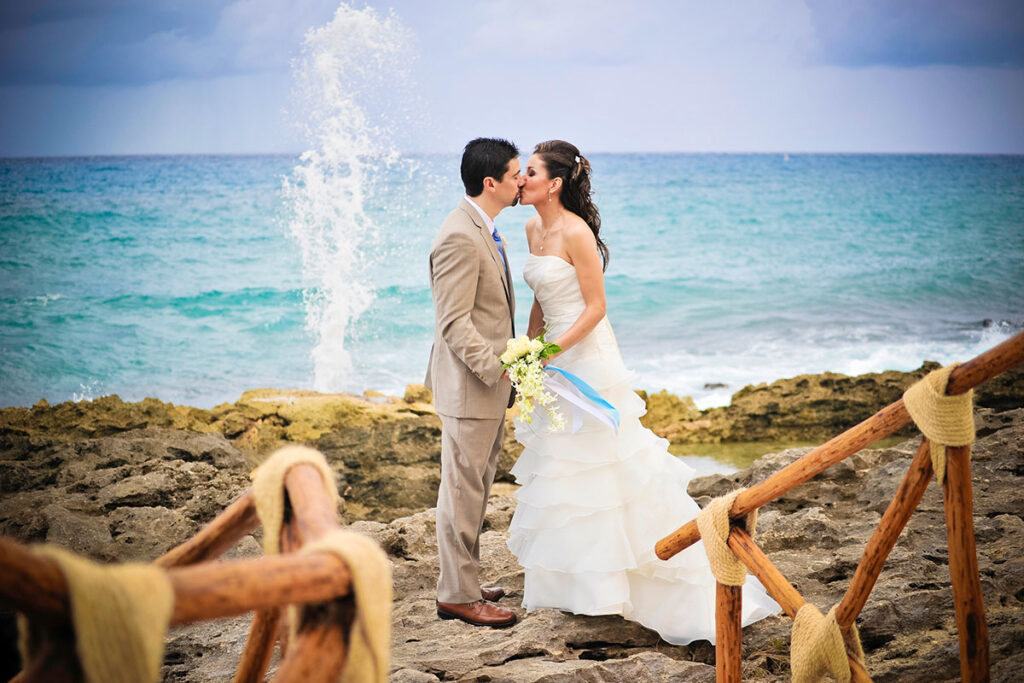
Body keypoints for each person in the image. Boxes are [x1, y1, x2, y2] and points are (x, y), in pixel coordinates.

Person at [507, 140, 780, 644]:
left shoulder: (576, 231)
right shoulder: (530, 227)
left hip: (587, 357)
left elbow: (594, 308)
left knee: (604, 464)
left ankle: (638, 579)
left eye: (530, 171)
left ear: (555, 183)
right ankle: (575, 586)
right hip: (550, 355)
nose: (520, 180)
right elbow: (543, 301)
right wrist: (528, 350)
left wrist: (548, 352)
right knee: (564, 467)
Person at [425, 137, 523, 628]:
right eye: (514, 175)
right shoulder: (460, 236)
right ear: (491, 183)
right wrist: (499, 370)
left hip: (484, 388)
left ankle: (462, 581)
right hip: (470, 387)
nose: (521, 181)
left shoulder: (483, 228)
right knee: (463, 491)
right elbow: (454, 323)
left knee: (475, 488)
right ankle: (458, 596)